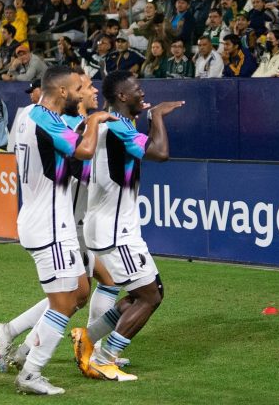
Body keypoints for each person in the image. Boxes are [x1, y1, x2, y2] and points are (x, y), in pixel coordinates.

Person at [0, 66, 115, 395]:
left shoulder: (25, 115)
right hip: (49, 224)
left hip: (50, 219)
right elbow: (84, 151)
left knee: (78, 291)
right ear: (61, 92)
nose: (82, 91)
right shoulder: (46, 120)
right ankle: (31, 372)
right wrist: (93, 121)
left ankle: (22, 350)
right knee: (63, 303)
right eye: (78, 87)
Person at [72, 70, 183, 382]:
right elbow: (160, 153)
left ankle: (88, 339)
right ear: (121, 96)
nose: (142, 91)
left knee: (140, 295)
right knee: (151, 296)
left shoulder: (114, 125)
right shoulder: (118, 127)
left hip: (110, 225)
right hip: (115, 230)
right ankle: (105, 358)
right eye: (136, 88)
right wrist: (158, 116)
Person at [7, 79, 42, 152]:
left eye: (33, 91)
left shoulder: (50, 111)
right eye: (30, 92)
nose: (31, 94)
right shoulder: (25, 111)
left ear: (42, 89)